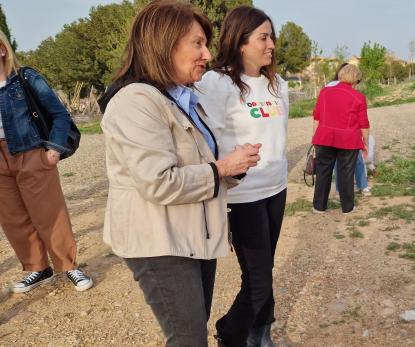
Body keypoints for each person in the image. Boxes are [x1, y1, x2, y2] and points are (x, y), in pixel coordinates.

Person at [99, 2, 260, 346]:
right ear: (164, 44)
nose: (207, 53)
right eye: (197, 43)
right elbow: (160, 182)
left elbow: (201, 164)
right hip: (159, 241)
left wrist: (235, 167)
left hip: (189, 235)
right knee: (188, 339)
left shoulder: (180, 97)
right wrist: (223, 168)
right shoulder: (135, 101)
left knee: (192, 331)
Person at [196, 6, 288, 347]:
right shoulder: (216, 83)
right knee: (259, 279)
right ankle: (231, 334)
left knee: (262, 272)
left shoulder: (277, 84)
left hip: (276, 190)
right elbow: (205, 141)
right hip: (241, 196)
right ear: (240, 41)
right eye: (263, 37)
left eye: (271, 37)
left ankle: (260, 332)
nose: (271, 45)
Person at [0, 30, 93, 293]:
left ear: (2, 49)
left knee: (50, 213)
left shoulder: (25, 78)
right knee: (13, 218)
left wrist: (53, 150)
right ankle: (37, 268)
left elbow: (60, 115)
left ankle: (69, 266)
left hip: (30, 153)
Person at [312, 64, 369, 214]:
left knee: (323, 171)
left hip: (324, 137)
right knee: (346, 173)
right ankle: (347, 207)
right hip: (348, 139)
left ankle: (319, 206)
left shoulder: (324, 92)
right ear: (355, 80)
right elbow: (364, 123)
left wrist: (314, 139)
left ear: (340, 76)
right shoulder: (359, 97)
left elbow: (317, 116)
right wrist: (366, 143)